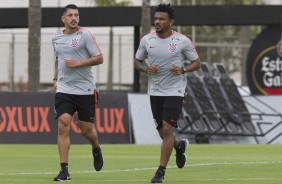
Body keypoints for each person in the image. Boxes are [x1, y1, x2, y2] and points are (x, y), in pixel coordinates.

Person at [134, 3, 201, 183]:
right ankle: (179, 147)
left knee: (169, 129)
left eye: (162, 19)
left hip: (175, 91)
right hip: (155, 91)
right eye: (156, 19)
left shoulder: (182, 41)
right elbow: (137, 61)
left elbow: (197, 62)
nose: (157, 22)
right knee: (164, 133)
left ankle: (160, 172)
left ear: (171, 22)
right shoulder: (147, 40)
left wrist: (184, 69)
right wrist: (146, 69)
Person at [52, 4, 104, 181]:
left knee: (86, 131)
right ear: (63, 19)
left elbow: (99, 58)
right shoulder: (57, 38)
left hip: (85, 90)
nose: (74, 18)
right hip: (64, 89)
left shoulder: (86, 35)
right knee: (63, 125)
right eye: (70, 15)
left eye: (76, 15)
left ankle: (95, 147)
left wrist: (77, 63)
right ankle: (64, 170)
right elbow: (58, 59)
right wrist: (55, 78)